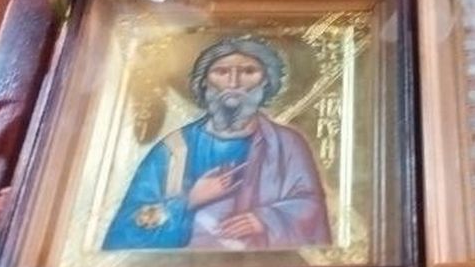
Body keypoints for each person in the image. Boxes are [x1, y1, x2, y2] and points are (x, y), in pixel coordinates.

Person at [104, 38, 331, 251]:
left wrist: (265, 220)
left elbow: (311, 209)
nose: (233, 83)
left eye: (248, 72)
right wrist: (190, 199)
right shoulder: (173, 149)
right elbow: (125, 232)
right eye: (221, 72)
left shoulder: (287, 144)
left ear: (266, 82)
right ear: (204, 83)